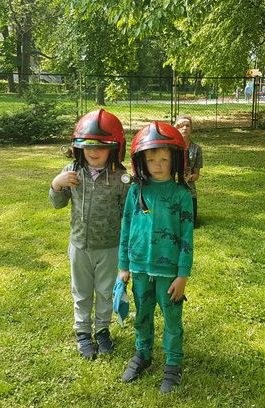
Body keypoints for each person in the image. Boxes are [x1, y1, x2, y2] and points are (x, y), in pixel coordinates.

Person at [118, 121, 194, 393]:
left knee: (172, 320)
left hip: (169, 273)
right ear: (141, 161)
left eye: (163, 159)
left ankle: (173, 363)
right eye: (151, 160)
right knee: (142, 315)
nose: (157, 165)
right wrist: (123, 266)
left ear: (175, 160)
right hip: (139, 269)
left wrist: (183, 275)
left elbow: (187, 238)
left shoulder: (182, 195)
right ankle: (143, 354)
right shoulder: (135, 191)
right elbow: (126, 227)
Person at [49, 109, 128, 360]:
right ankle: (83, 332)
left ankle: (102, 330)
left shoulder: (121, 177)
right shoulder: (71, 171)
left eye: (101, 147)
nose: (93, 152)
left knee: (105, 291)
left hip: (110, 247)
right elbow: (58, 203)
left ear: (114, 148)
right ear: (78, 146)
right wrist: (57, 183)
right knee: (81, 291)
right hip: (79, 246)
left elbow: (128, 214)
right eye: (88, 146)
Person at [174, 114, 203, 226]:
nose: (185, 128)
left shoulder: (196, 149)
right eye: (181, 125)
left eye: (188, 125)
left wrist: (189, 178)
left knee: (191, 223)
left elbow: (196, 175)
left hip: (189, 189)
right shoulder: (170, 147)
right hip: (172, 187)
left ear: (192, 129)